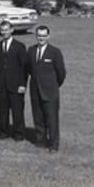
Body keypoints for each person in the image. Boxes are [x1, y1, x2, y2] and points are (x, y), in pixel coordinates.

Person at [26, 25, 66, 153]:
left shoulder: (55, 52)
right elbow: (28, 69)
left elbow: (61, 73)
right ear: (36, 36)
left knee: (52, 119)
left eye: (44, 36)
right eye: (39, 36)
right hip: (35, 90)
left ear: (48, 36)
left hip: (50, 92)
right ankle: (40, 141)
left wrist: (53, 85)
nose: (41, 38)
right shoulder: (31, 50)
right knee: (38, 117)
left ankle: (53, 145)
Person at [0, 20, 27, 140]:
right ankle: (3, 132)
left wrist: (22, 84)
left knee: (17, 111)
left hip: (16, 84)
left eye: (6, 30)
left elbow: (24, 67)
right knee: (3, 110)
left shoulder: (20, 46)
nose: (4, 32)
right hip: (1, 84)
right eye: (2, 30)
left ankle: (19, 134)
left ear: (11, 30)